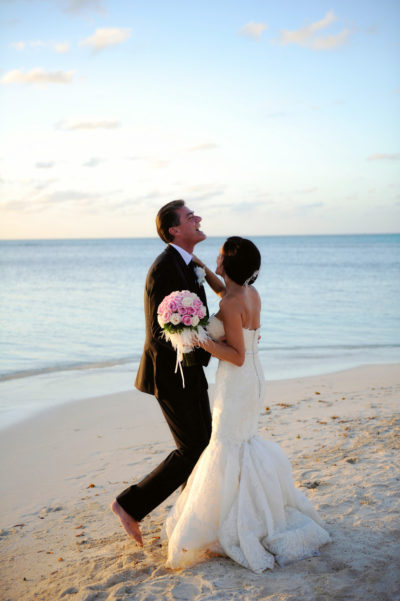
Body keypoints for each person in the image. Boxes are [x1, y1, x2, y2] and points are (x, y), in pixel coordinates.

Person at [163, 236, 330, 573]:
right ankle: (249, 509)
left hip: (237, 381)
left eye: (220, 255)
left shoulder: (229, 305)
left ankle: (233, 522)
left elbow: (236, 356)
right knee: (242, 443)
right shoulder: (249, 294)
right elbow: (230, 298)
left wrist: (201, 339)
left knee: (226, 444)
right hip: (256, 378)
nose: (217, 257)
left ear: (230, 264)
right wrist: (207, 272)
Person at [111, 200, 224, 546]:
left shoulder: (187, 264)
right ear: (174, 229)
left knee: (202, 446)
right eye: (191, 217)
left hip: (189, 369)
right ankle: (128, 505)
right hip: (170, 373)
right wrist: (217, 337)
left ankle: (191, 516)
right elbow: (164, 330)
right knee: (193, 448)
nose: (199, 218)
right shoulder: (165, 268)